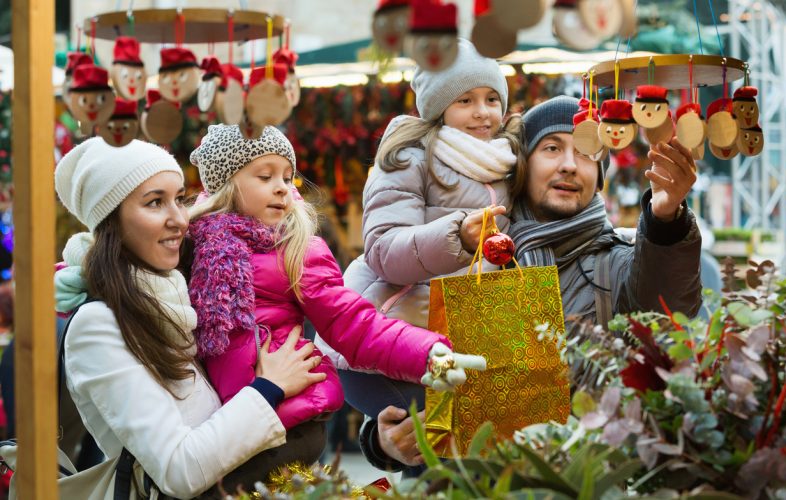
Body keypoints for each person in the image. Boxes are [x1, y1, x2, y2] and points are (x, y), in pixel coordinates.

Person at [185, 125, 484, 467]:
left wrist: (427, 354)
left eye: (287, 177)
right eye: (265, 176)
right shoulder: (195, 246)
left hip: (287, 420)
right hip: (226, 420)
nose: (282, 188)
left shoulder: (294, 250)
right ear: (225, 184)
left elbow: (353, 322)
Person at [53, 137, 324, 498]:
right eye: (154, 203)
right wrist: (268, 388)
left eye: (179, 198)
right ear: (110, 221)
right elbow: (178, 471)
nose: (180, 219)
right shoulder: (97, 325)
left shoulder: (183, 295)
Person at [339, 38, 527, 472]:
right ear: (438, 107)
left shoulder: (509, 161)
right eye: (465, 100)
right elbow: (383, 248)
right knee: (435, 456)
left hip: (468, 333)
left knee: (467, 455)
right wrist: (457, 236)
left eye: (491, 99)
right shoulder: (410, 156)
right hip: (397, 334)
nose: (482, 112)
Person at [508, 95, 702, 329]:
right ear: (523, 166)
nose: (569, 165)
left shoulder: (615, 265)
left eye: (585, 152)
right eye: (552, 148)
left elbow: (666, 309)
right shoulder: (486, 256)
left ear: (599, 178)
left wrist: (665, 222)